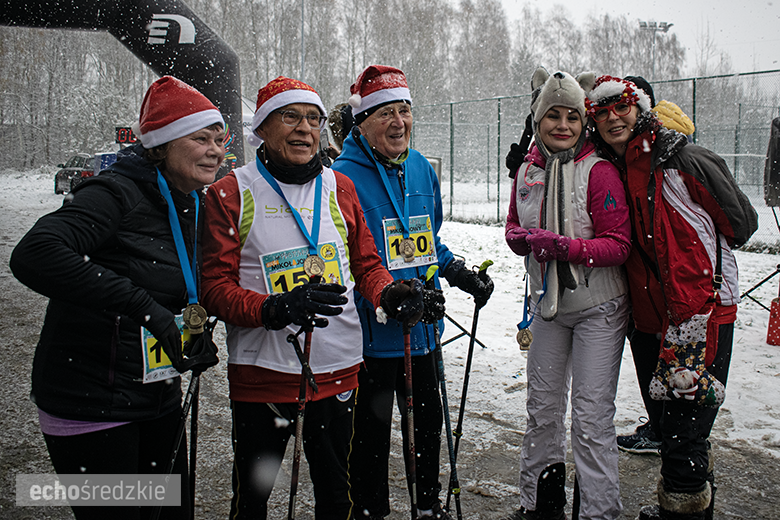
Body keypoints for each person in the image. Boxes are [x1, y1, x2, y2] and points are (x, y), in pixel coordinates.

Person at [199, 76, 425, 520]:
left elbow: (365, 266)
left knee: (335, 497)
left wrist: (389, 293)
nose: (305, 129)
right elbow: (214, 289)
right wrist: (272, 308)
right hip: (263, 374)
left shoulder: (338, 186)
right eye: (291, 117)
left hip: (337, 367)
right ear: (262, 127)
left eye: (314, 119)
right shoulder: (232, 192)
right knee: (253, 498)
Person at [10, 75, 225, 520]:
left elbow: (178, 284)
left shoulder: (191, 201)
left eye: (220, 140)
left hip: (155, 396)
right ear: (163, 144)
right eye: (201, 138)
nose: (216, 150)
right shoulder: (115, 193)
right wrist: (145, 309)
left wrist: (188, 331)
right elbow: (35, 254)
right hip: (92, 404)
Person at [586, 75, 758, 520]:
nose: (612, 117)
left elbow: (742, 223)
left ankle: (683, 507)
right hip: (646, 320)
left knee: (684, 433)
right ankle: (693, 497)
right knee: (667, 426)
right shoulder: (608, 169)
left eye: (620, 106)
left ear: (640, 107)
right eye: (600, 112)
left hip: (698, 313)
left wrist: (692, 256)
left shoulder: (685, 160)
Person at [331, 64, 494, 520]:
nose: (398, 122)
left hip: (424, 328)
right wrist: (385, 297)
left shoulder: (421, 167)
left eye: (404, 110)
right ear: (361, 122)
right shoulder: (341, 178)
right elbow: (348, 261)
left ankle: (428, 506)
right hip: (372, 335)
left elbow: (426, 239)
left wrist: (457, 271)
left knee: (427, 427)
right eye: (385, 112)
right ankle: (370, 511)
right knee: (372, 435)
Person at [501, 68, 632, 520]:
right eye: (552, 116)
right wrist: (522, 239)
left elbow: (619, 244)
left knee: (592, 418)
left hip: (599, 307)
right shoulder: (526, 171)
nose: (562, 125)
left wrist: (568, 248)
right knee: (542, 409)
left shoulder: (598, 172)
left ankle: (599, 511)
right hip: (549, 307)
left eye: (571, 117)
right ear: (537, 122)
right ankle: (539, 504)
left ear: (583, 121)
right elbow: (513, 227)